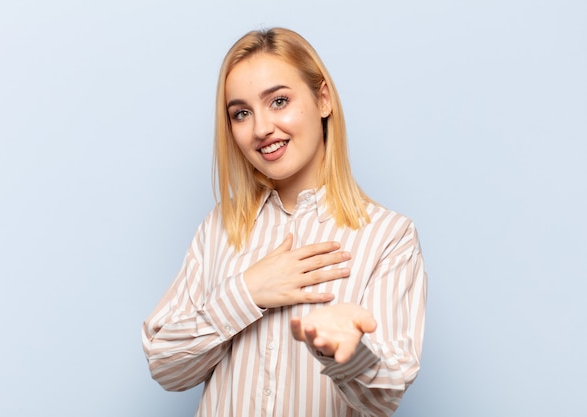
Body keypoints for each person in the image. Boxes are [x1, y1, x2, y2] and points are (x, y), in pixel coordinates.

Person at [142, 27, 427, 417]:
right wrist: (246, 292)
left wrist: (346, 351)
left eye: (278, 101)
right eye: (241, 113)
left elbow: (383, 399)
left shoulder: (388, 237)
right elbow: (165, 366)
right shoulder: (221, 228)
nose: (260, 129)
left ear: (323, 99)